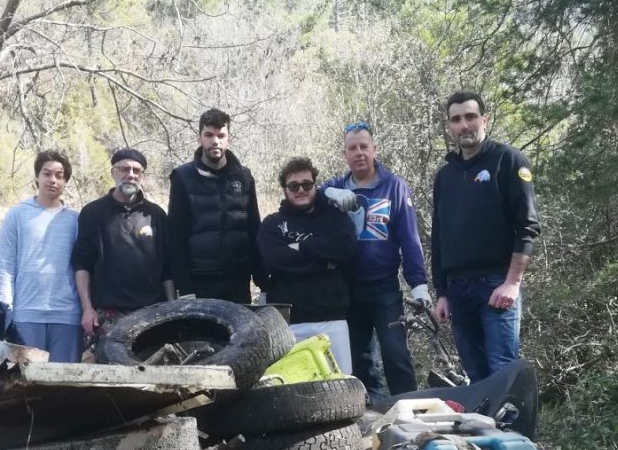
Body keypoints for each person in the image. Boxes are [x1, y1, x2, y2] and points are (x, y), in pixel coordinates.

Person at [430, 91, 540, 381]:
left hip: (496, 284)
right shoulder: (445, 176)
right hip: (457, 290)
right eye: (456, 120)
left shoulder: (509, 160)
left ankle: (513, 416)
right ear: (450, 126)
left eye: (470, 117)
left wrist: (512, 283)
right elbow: (438, 237)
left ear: (484, 119)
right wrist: (441, 293)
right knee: (476, 377)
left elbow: (527, 226)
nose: (463, 125)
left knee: (503, 372)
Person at [321, 121, 431, 397]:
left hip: (384, 289)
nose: (359, 153)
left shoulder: (394, 187)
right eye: (352, 148)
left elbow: (409, 239)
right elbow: (307, 195)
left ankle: (409, 407)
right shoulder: (336, 186)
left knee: (395, 354)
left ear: (374, 150)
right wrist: (329, 194)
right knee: (357, 359)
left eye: (364, 147)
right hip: (346, 290)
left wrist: (419, 284)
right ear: (345, 154)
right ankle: (367, 411)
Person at [257, 157, 358, 372]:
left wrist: (299, 248)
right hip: (289, 324)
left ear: (315, 185)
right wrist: (325, 261)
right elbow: (274, 261)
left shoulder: (335, 217)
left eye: (307, 184)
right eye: (294, 186)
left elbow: (346, 248)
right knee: (292, 387)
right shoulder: (272, 224)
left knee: (341, 385)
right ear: (285, 189)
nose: (301, 190)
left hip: (333, 319)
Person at [72, 148, 175, 342]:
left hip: (152, 314)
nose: (131, 175)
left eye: (137, 171)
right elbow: (81, 265)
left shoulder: (156, 215)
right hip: (108, 316)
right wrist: (87, 309)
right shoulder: (92, 213)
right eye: (124, 169)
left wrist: (172, 310)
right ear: (113, 172)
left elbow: (167, 269)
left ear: (142, 176)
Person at [0, 149, 82, 363]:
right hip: (26, 314)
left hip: (67, 315)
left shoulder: (76, 220)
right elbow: (5, 266)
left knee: (64, 379)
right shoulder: (17, 215)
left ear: (65, 181)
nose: (52, 180)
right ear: (37, 177)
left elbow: (83, 268)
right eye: (47, 173)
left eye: (59, 176)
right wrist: (6, 310)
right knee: (26, 379)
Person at [167, 108, 262, 303]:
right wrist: (185, 288)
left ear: (229, 138)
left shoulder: (244, 177)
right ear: (199, 138)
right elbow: (175, 237)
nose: (215, 141)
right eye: (209, 135)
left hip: (238, 280)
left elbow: (254, 229)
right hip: (200, 281)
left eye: (221, 135)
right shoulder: (183, 177)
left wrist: (262, 281)